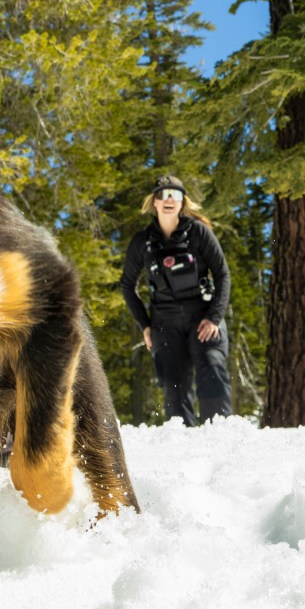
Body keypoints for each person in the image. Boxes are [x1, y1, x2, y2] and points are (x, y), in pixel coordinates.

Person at [120, 174, 232, 425]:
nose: (170, 200)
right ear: (155, 202)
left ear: (183, 202)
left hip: (202, 316)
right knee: (175, 386)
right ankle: (184, 447)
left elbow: (223, 274)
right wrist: (146, 326)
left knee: (212, 370)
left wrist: (214, 317)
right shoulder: (142, 242)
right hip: (165, 321)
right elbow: (127, 285)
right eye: (164, 195)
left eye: (176, 195)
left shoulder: (199, 233)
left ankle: (221, 439)